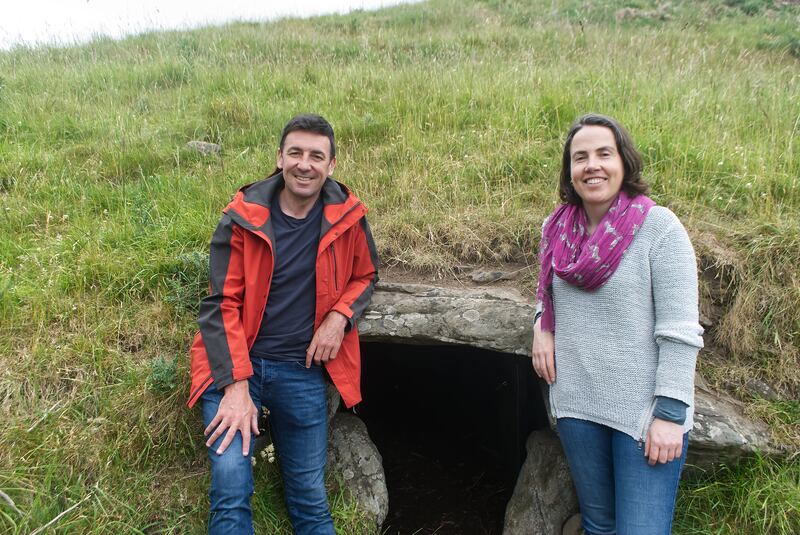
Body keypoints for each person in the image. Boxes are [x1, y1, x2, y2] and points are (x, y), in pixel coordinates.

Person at [186, 114, 380, 534]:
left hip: (302, 370)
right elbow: (221, 304)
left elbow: (366, 275)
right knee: (231, 486)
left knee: (310, 498)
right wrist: (236, 388)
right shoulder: (243, 216)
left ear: (331, 166)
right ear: (280, 157)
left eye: (316, 155)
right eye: (295, 153)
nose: (304, 164)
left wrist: (339, 317)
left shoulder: (347, 216)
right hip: (239, 366)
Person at [531, 114, 703, 535]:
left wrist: (669, 414)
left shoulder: (659, 229)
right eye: (580, 157)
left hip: (642, 414)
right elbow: (546, 296)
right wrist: (541, 325)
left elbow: (680, 332)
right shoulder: (556, 230)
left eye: (603, 154)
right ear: (569, 172)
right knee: (599, 525)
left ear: (623, 162)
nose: (592, 165)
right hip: (578, 404)